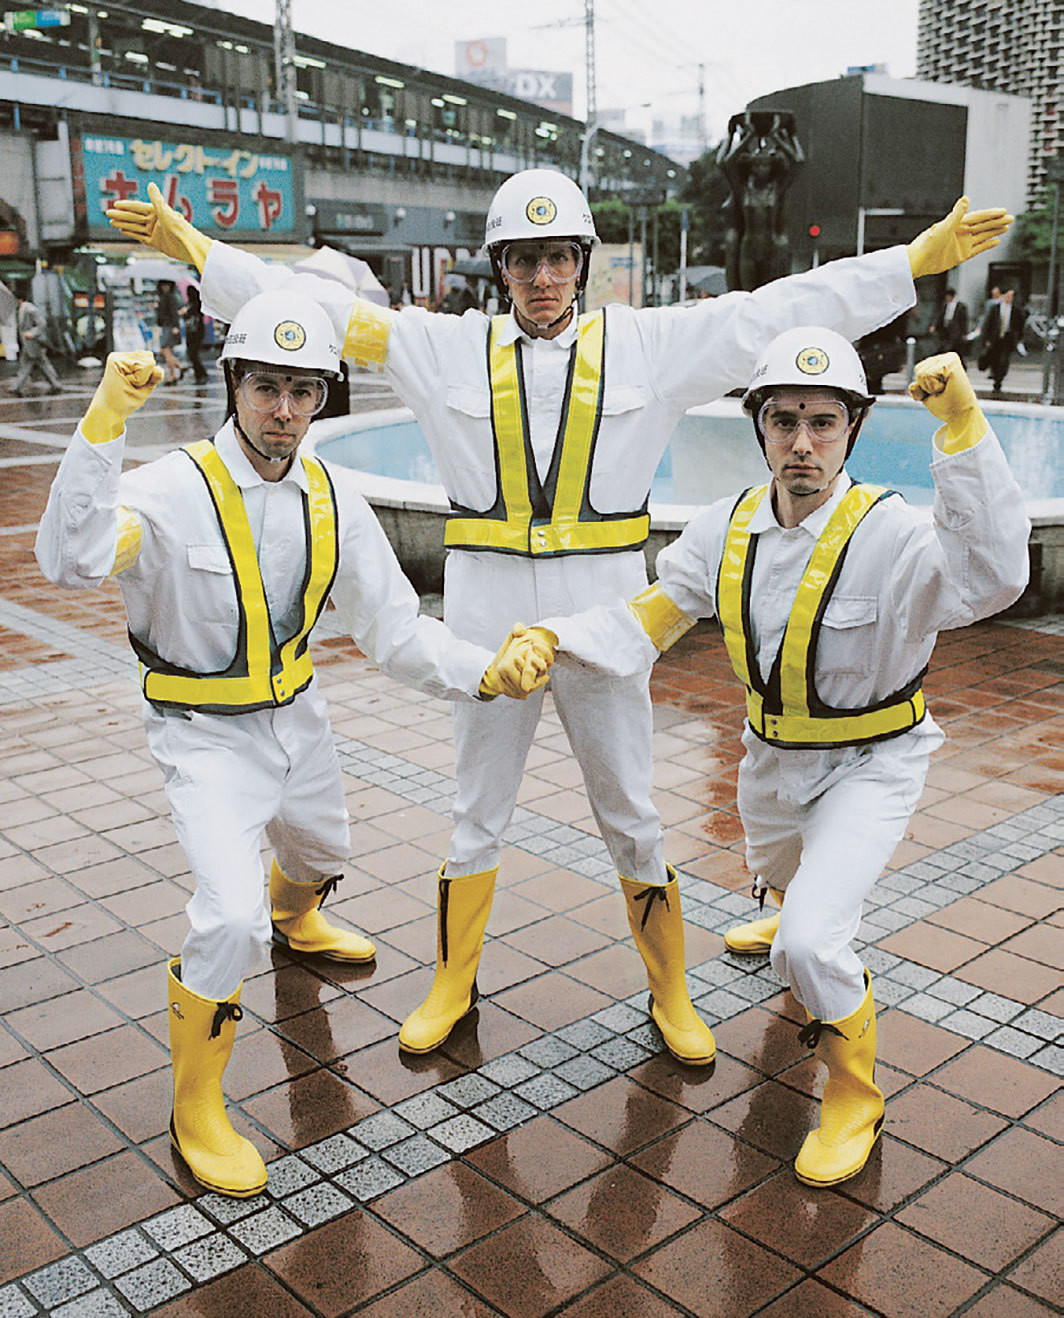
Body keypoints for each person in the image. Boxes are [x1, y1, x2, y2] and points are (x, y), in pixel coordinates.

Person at [105, 174, 1012, 1070]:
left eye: (559, 258)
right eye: (525, 259)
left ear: (584, 262)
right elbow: (305, 312)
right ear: (501, 266)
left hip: (604, 601)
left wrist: (918, 260)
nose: (543, 277)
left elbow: (778, 313)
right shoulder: (442, 347)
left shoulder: (650, 343)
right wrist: (194, 251)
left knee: (632, 811)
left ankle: (670, 992)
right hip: (486, 601)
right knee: (475, 810)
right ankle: (453, 983)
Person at [34, 290, 551, 1199]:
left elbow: (392, 630)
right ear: (234, 384)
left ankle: (296, 916)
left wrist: (485, 672)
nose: (284, 410)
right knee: (226, 919)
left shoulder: (333, 496)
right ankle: (197, 1106)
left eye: (304, 391)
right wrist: (105, 421)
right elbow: (68, 560)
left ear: (323, 398)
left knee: (322, 850)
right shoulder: (165, 492)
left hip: (298, 719)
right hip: (201, 735)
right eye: (266, 386)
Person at [538, 328, 1029, 1186]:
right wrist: (551, 640)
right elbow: (649, 617)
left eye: (824, 422)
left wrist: (963, 432)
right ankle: (801, 909)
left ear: (853, 430)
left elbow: (992, 578)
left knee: (806, 945)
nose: (803, 442)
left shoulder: (894, 534)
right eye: (784, 420)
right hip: (770, 761)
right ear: (759, 427)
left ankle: (853, 1095)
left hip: (872, 760)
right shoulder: (729, 527)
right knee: (776, 876)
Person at [11, 288, 62, 395]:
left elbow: (41, 323)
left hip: (33, 342)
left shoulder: (30, 309)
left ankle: (17, 386)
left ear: (19, 299)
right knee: (35, 364)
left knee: (37, 364)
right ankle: (55, 383)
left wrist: (32, 333)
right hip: (28, 344)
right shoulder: (21, 309)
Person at [976, 286, 1026, 393]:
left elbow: (1020, 325)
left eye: (1012, 296)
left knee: (1004, 360)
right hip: (995, 338)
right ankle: (995, 375)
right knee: (995, 359)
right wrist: (986, 339)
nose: (1010, 298)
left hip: (1008, 338)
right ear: (1003, 296)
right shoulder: (995, 308)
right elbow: (988, 324)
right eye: (1008, 295)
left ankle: (999, 380)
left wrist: (1019, 339)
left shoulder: (1016, 310)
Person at [928, 286, 969, 363]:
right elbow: (939, 316)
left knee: (954, 348)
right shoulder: (945, 305)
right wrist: (934, 326)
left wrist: (964, 332)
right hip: (945, 328)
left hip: (956, 330)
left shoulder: (961, 306)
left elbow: (964, 320)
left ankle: (959, 364)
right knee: (946, 347)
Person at [155, 277, 184, 384]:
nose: (165, 287)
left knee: (166, 351)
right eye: (163, 285)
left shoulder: (170, 297)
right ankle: (178, 368)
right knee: (167, 352)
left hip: (170, 327)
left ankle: (172, 374)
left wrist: (175, 326)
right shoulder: (162, 297)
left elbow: (173, 313)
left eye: (167, 285)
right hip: (166, 326)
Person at [182, 284, 209, 384]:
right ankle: (200, 374)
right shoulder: (191, 305)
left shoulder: (196, 305)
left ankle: (201, 374)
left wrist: (186, 312)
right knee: (192, 354)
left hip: (195, 333)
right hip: (194, 332)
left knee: (193, 354)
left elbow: (192, 317)